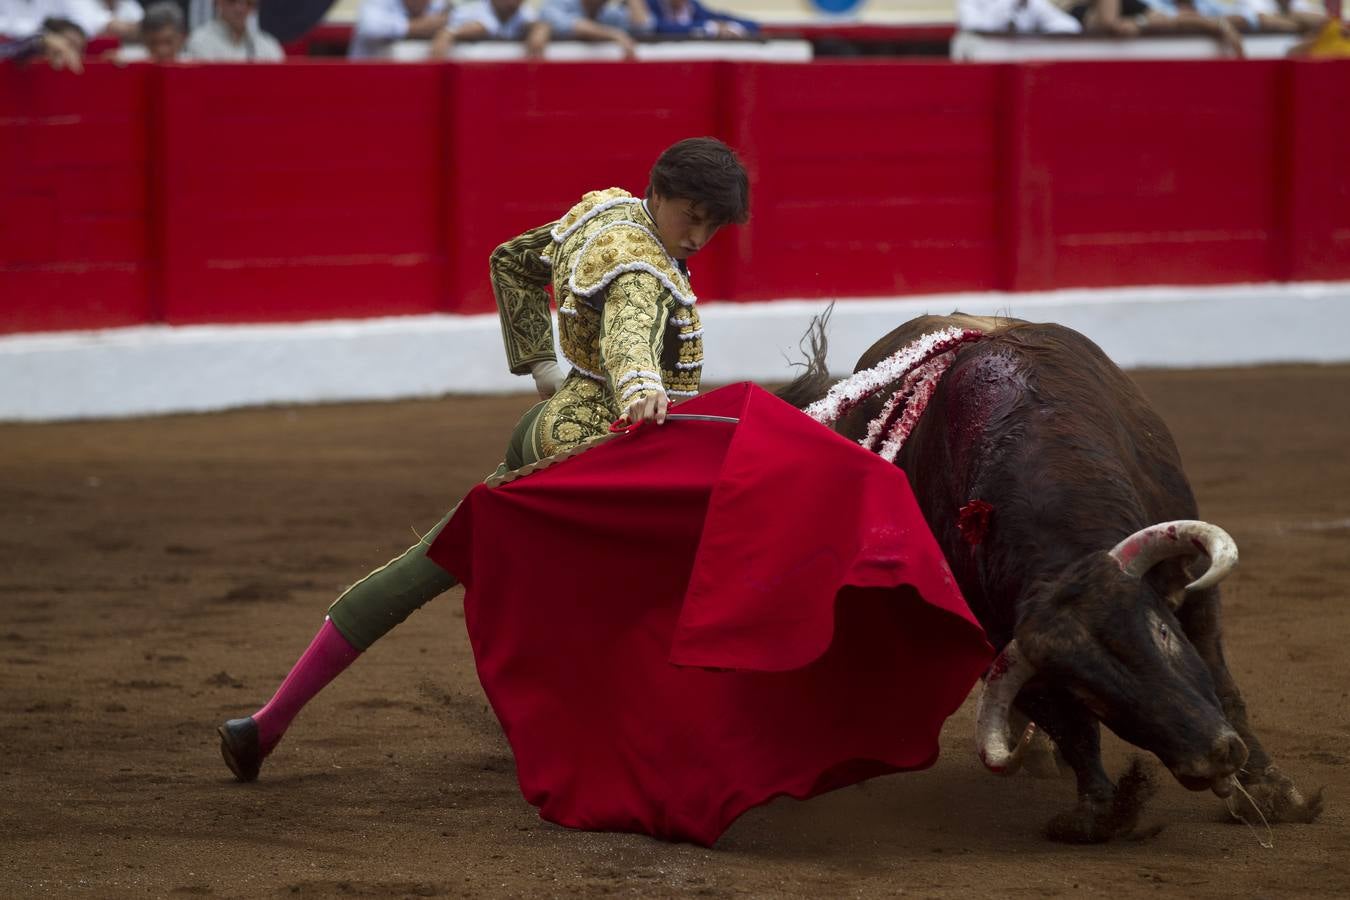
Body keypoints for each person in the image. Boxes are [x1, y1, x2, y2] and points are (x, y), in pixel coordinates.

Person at [217, 136, 751, 783]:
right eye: (690, 214)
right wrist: (640, 390)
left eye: (713, 223)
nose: (699, 234)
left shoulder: (608, 213)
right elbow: (630, 337)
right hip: (594, 448)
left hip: (554, 425)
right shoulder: (644, 272)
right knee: (676, 583)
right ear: (658, 193)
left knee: (429, 564)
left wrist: (547, 368)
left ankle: (267, 723)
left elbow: (512, 263)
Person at [429, 0, 550, 58]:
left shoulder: (523, 12)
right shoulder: (469, 11)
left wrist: (539, 30)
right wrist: (450, 34)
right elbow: (446, 33)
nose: (512, 2)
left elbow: (536, 24)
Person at [540, 0, 650, 58]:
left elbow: (642, 26)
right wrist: (614, 35)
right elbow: (570, 24)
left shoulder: (609, 12)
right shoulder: (560, 3)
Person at [348, 0, 451, 60]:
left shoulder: (439, 4)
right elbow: (369, 28)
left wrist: (448, 34)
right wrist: (417, 28)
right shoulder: (378, 2)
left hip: (417, 81)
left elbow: (462, 18)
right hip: (367, 80)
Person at [185, 0, 283, 60]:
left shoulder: (269, 47)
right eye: (232, 1)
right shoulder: (199, 42)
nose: (240, 8)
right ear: (218, 2)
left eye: (248, 2)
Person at [644, 0, 757, 38]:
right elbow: (657, 27)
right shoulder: (651, 4)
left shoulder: (694, 7)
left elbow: (752, 25)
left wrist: (732, 28)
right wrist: (710, 28)